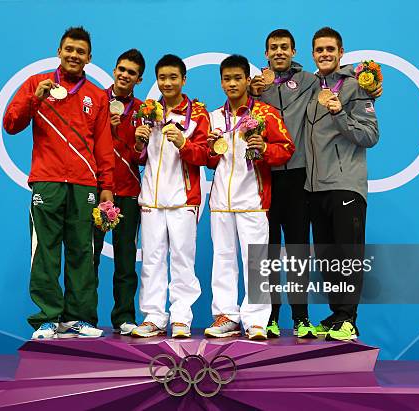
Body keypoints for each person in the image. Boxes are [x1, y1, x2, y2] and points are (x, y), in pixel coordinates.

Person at [250, 29, 382, 338]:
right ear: (266, 52)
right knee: (282, 253)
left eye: (285, 46)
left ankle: (314, 317)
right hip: (275, 178)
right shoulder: (264, 85)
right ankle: (267, 316)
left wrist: (369, 83)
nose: (279, 51)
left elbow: (357, 93)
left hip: (306, 179)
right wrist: (255, 90)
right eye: (273, 47)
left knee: (308, 252)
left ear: (295, 51)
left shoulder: (316, 82)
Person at [3, 26, 114, 339]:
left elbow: (104, 146)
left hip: (84, 185)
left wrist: (106, 187)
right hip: (48, 182)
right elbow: (11, 124)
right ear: (59, 51)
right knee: (45, 251)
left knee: (83, 251)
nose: (74, 55)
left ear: (89, 58)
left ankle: (78, 318)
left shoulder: (96, 96)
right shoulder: (37, 85)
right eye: (69, 49)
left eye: (80, 51)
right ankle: (48, 318)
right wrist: (33, 101)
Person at [204, 55, 294, 340]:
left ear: (246, 80)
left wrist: (265, 147)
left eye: (237, 78)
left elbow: (287, 148)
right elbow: (208, 160)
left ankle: (256, 320)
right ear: (221, 82)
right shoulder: (214, 117)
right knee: (222, 259)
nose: (232, 83)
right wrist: (209, 151)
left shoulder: (265, 114)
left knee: (255, 262)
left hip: (253, 201)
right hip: (220, 201)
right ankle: (226, 316)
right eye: (227, 79)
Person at [304, 27, 379, 341]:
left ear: (341, 52)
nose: (324, 54)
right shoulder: (308, 86)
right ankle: (337, 314)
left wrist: (339, 114)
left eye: (330, 49)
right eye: (319, 49)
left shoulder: (355, 86)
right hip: (314, 186)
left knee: (348, 254)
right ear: (313, 54)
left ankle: (349, 318)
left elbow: (370, 135)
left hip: (346, 183)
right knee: (327, 256)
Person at [130, 54, 210, 338]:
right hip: (151, 197)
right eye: (162, 78)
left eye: (173, 77)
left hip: (183, 199)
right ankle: (153, 316)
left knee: (182, 260)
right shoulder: (148, 111)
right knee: (151, 259)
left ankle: (180, 318)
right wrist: (138, 141)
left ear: (184, 79)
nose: (167, 83)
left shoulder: (198, 114)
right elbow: (140, 157)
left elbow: (206, 155)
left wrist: (184, 143)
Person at [93, 49, 145, 336]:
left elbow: (143, 158)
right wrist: (103, 131)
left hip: (128, 192)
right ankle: (84, 316)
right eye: (121, 69)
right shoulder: (96, 102)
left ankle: (124, 317)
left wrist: (139, 145)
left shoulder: (143, 110)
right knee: (90, 257)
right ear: (114, 70)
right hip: (100, 191)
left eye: (131, 72)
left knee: (126, 261)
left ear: (139, 79)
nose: (125, 74)